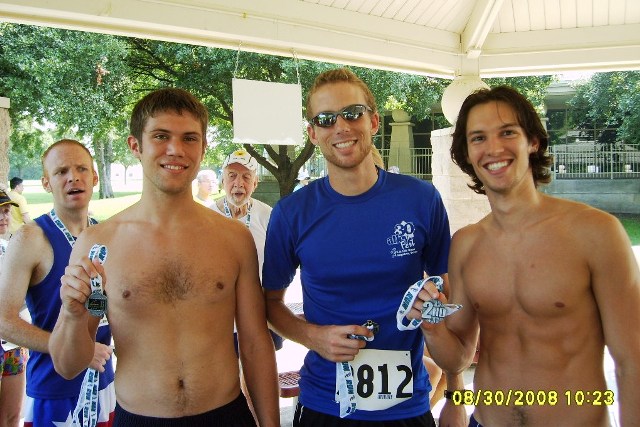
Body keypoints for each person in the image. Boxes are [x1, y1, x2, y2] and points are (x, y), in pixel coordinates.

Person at [49, 88, 279, 426]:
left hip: (225, 414)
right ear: (135, 145)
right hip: (139, 417)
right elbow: (68, 365)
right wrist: (71, 315)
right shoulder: (98, 244)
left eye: (189, 138)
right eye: (160, 136)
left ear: (203, 148)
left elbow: (256, 344)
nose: (176, 149)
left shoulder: (234, 239)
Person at [420, 85, 640, 426]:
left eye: (507, 132)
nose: (494, 148)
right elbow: (458, 358)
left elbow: (632, 361)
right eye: (478, 138)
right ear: (467, 152)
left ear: (533, 141)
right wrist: (433, 329)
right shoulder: (466, 244)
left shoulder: (596, 233)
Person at [262, 68, 465, 426]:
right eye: (325, 119)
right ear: (313, 133)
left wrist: (455, 393)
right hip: (325, 404)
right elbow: (270, 303)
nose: (340, 126)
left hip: (407, 407)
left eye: (352, 113)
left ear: (373, 121)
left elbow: (446, 294)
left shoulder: (422, 199)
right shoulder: (292, 213)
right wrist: (312, 337)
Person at [0, 140, 116, 426]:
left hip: (104, 383)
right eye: (61, 171)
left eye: (81, 169)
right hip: (54, 393)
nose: (73, 177)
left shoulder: (105, 235)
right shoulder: (30, 238)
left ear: (95, 177)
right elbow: (3, 320)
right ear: (46, 183)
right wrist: (74, 350)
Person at [0, 190, 29, 427]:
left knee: (12, 415)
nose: (3, 217)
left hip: (13, 344)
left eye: (6, 211)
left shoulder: (11, 248)